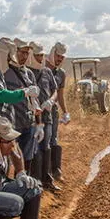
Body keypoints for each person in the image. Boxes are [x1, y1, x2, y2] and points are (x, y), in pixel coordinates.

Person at [0, 38, 39, 134]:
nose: (8, 61)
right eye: (8, 58)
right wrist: (24, 92)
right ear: (1, 54)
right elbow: (0, 96)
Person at [4, 38, 43, 174]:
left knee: (27, 159)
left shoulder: (29, 73)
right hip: (11, 124)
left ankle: (24, 190)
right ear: (14, 51)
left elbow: (34, 101)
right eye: (22, 52)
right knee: (8, 161)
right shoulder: (5, 73)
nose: (25, 56)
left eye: (27, 53)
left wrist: (39, 124)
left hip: (28, 123)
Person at [27, 41, 61, 192]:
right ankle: (35, 182)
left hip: (47, 117)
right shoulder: (26, 72)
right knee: (34, 150)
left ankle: (47, 180)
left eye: (42, 55)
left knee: (46, 147)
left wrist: (51, 101)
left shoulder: (47, 72)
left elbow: (55, 90)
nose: (40, 58)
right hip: (31, 119)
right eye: (37, 55)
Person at [45, 42, 69, 182]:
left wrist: (65, 112)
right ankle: (45, 172)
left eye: (62, 57)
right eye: (58, 56)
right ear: (52, 53)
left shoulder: (61, 74)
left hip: (53, 111)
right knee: (44, 141)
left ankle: (56, 170)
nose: (59, 59)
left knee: (54, 139)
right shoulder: (41, 69)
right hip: (41, 110)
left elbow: (60, 95)